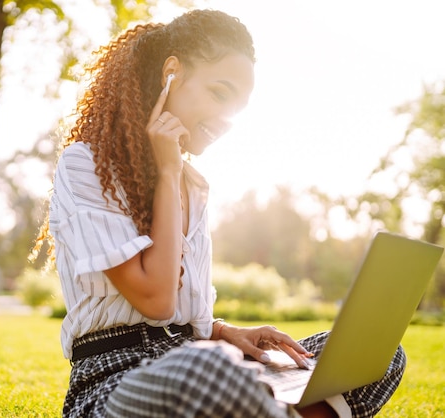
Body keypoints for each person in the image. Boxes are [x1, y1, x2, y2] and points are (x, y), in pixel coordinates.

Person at [37, 9, 406, 417]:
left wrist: (226, 331)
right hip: (114, 382)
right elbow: (157, 301)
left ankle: (273, 406)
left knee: (377, 351)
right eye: (219, 93)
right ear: (171, 73)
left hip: (195, 361)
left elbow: (181, 320)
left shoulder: (193, 187)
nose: (227, 120)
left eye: (238, 108)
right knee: (205, 367)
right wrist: (167, 169)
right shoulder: (85, 165)